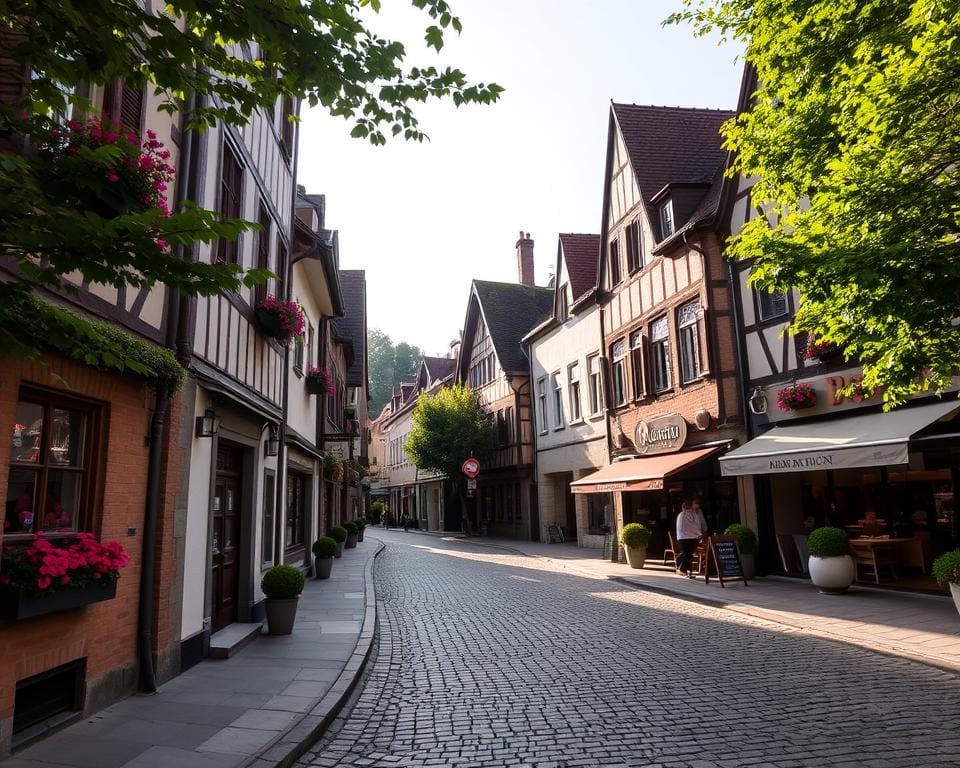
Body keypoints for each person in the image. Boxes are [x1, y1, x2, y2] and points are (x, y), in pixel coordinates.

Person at [676, 497, 708, 578]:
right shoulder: (682, 515)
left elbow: (697, 526)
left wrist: (698, 534)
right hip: (686, 538)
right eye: (685, 507)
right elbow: (693, 527)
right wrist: (699, 534)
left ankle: (687, 571)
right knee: (688, 554)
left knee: (688, 555)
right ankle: (683, 570)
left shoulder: (692, 515)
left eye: (687, 507)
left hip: (689, 538)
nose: (687, 509)